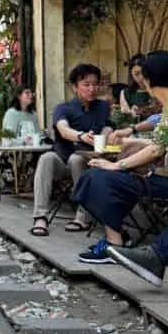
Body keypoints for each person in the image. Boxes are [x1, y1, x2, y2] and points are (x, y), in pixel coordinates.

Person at [73, 51, 168, 264]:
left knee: (102, 177)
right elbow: (164, 143)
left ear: (148, 79)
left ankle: (114, 244)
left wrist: (117, 165)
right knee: (98, 175)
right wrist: (130, 143)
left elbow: (156, 149)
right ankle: (115, 241)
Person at [30, 64, 112, 237]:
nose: (92, 88)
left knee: (77, 159)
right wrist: (81, 136)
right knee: (46, 158)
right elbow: (63, 129)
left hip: (89, 162)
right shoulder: (63, 108)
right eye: (86, 84)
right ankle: (40, 217)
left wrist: (107, 134)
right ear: (74, 87)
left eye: (95, 84)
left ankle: (83, 217)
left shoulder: (103, 107)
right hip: (62, 161)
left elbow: (108, 127)